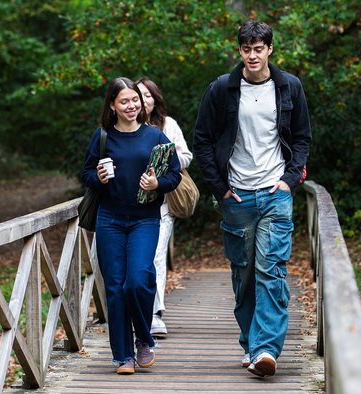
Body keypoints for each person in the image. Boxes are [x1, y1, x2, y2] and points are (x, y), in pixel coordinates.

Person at [193, 20, 311, 378]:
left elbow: (302, 138)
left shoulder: (289, 86)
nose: (253, 55)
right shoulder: (223, 89)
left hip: (275, 194)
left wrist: (289, 180)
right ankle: (250, 342)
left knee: (271, 270)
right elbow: (202, 140)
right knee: (243, 273)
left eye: (259, 48)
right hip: (237, 196)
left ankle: (266, 350)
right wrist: (220, 188)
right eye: (247, 49)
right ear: (240, 51)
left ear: (270, 49)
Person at [81, 77, 181, 375]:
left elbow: (174, 175)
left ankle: (144, 339)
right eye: (124, 101)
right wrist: (97, 177)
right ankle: (122, 356)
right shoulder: (102, 137)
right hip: (109, 219)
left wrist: (157, 183)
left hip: (144, 219)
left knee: (137, 280)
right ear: (112, 105)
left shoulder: (155, 137)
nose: (131, 105)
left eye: (135, 100)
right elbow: (85, 173)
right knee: (114, 288)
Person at [135, 77, 194, 337]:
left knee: (156, 257)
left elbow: (186, 157)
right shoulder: (124, 127)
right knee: (138, 260)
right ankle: (137, 311)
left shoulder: (168, 125)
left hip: (162, 204)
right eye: (138, 95)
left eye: (148, 95)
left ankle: (155, 313)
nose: (143, 100)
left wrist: (164, 162)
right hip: (131, 204)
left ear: (155, 99)